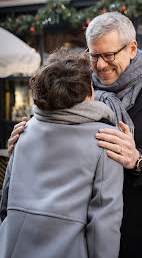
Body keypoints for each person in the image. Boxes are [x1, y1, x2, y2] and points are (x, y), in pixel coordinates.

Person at [8, 12, 142, 258]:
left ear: (132, 48)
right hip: (78, 237)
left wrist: (137, 160)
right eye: (94, 55)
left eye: (109, 55)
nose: (100, 65)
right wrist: (29, 135)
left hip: (140, 234)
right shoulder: (77, 89)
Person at [0, 49, 123, 258]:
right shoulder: (106, 139)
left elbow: (5, 204)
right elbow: (104, 222)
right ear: (88, 92)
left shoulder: (24, 131)